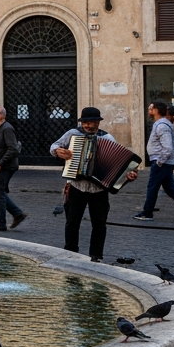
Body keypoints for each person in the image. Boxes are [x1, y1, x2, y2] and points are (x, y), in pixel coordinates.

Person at [51, 107, 138, 262]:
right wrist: (58, 151)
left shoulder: (108, 138)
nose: (88, 126)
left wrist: (128, 176)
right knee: (72, 221)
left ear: (98, 122)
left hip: (99, 188)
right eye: (85, 123)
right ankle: (70, 252)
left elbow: (117, 165)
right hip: (76, 186)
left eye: (91, 123)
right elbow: (54, 145)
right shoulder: (72, 134)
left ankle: (96, 255)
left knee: (99, 223)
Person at [135, 101, 174, 222]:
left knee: (152, 187)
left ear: (156, 110)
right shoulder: (161, 124)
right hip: (164, 162)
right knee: (169, 187)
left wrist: (160, 161)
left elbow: (168, 147)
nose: (148, 110)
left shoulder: (162, 126)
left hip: (162, 162)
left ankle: (147, 212)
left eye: (150, 108)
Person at [0, 105, 27, 231]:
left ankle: (1, 222)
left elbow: (13, 149)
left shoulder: (7, 129)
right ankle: (17, 214)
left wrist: (0, 164)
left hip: (5, 166)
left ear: (4, 115)